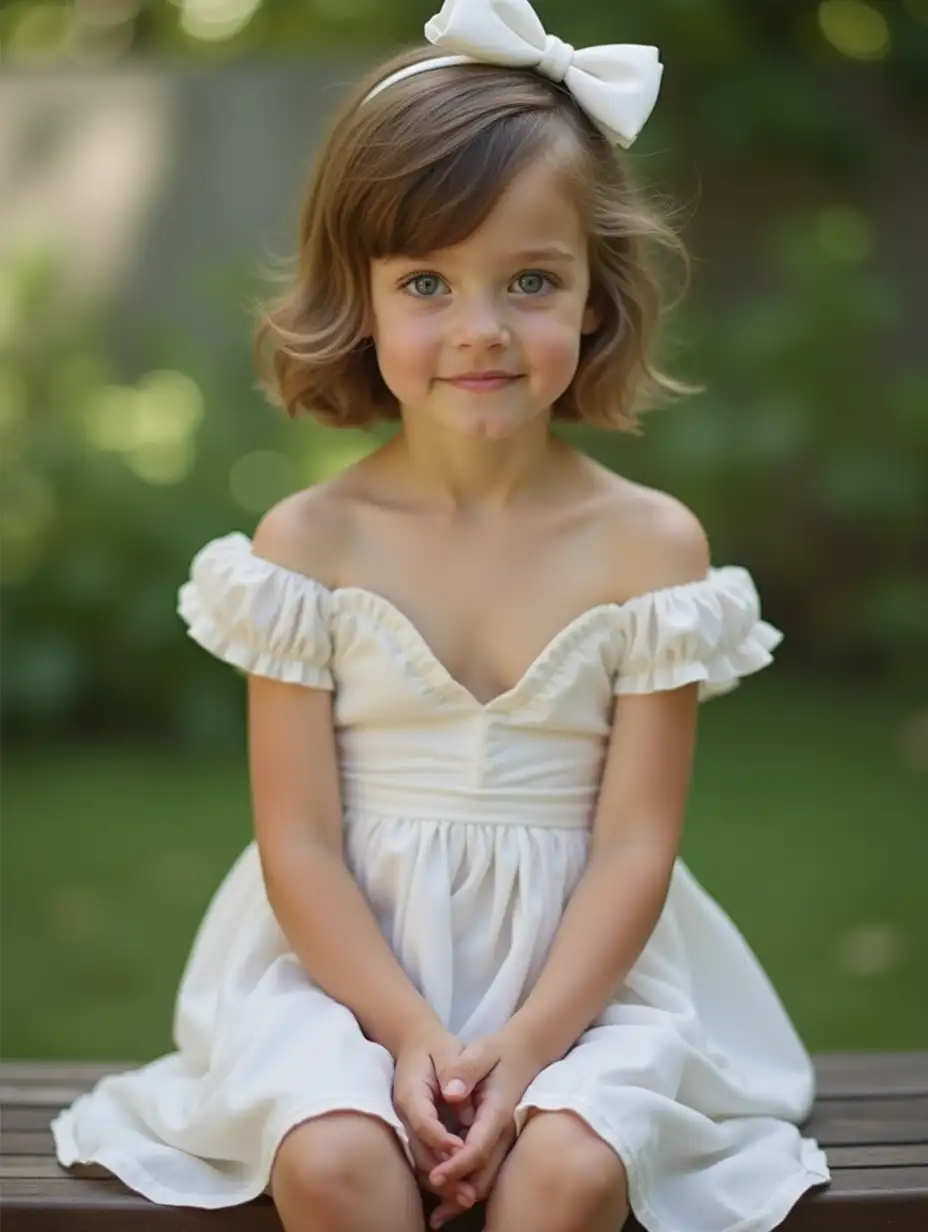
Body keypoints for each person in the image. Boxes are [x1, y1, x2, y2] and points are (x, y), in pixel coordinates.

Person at [52, 1, 831, 1229]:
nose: (481, 329)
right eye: (426, 281)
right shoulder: (308, 547)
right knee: (335, 1160)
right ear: (359, 298)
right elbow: (298, 840)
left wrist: (528, 1040)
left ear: (594, 295)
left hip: (585, 984)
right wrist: (408, 1029)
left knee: (567, 1169)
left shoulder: (649, 548)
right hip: (341, 975)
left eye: (530, 280)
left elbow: (636, 843)